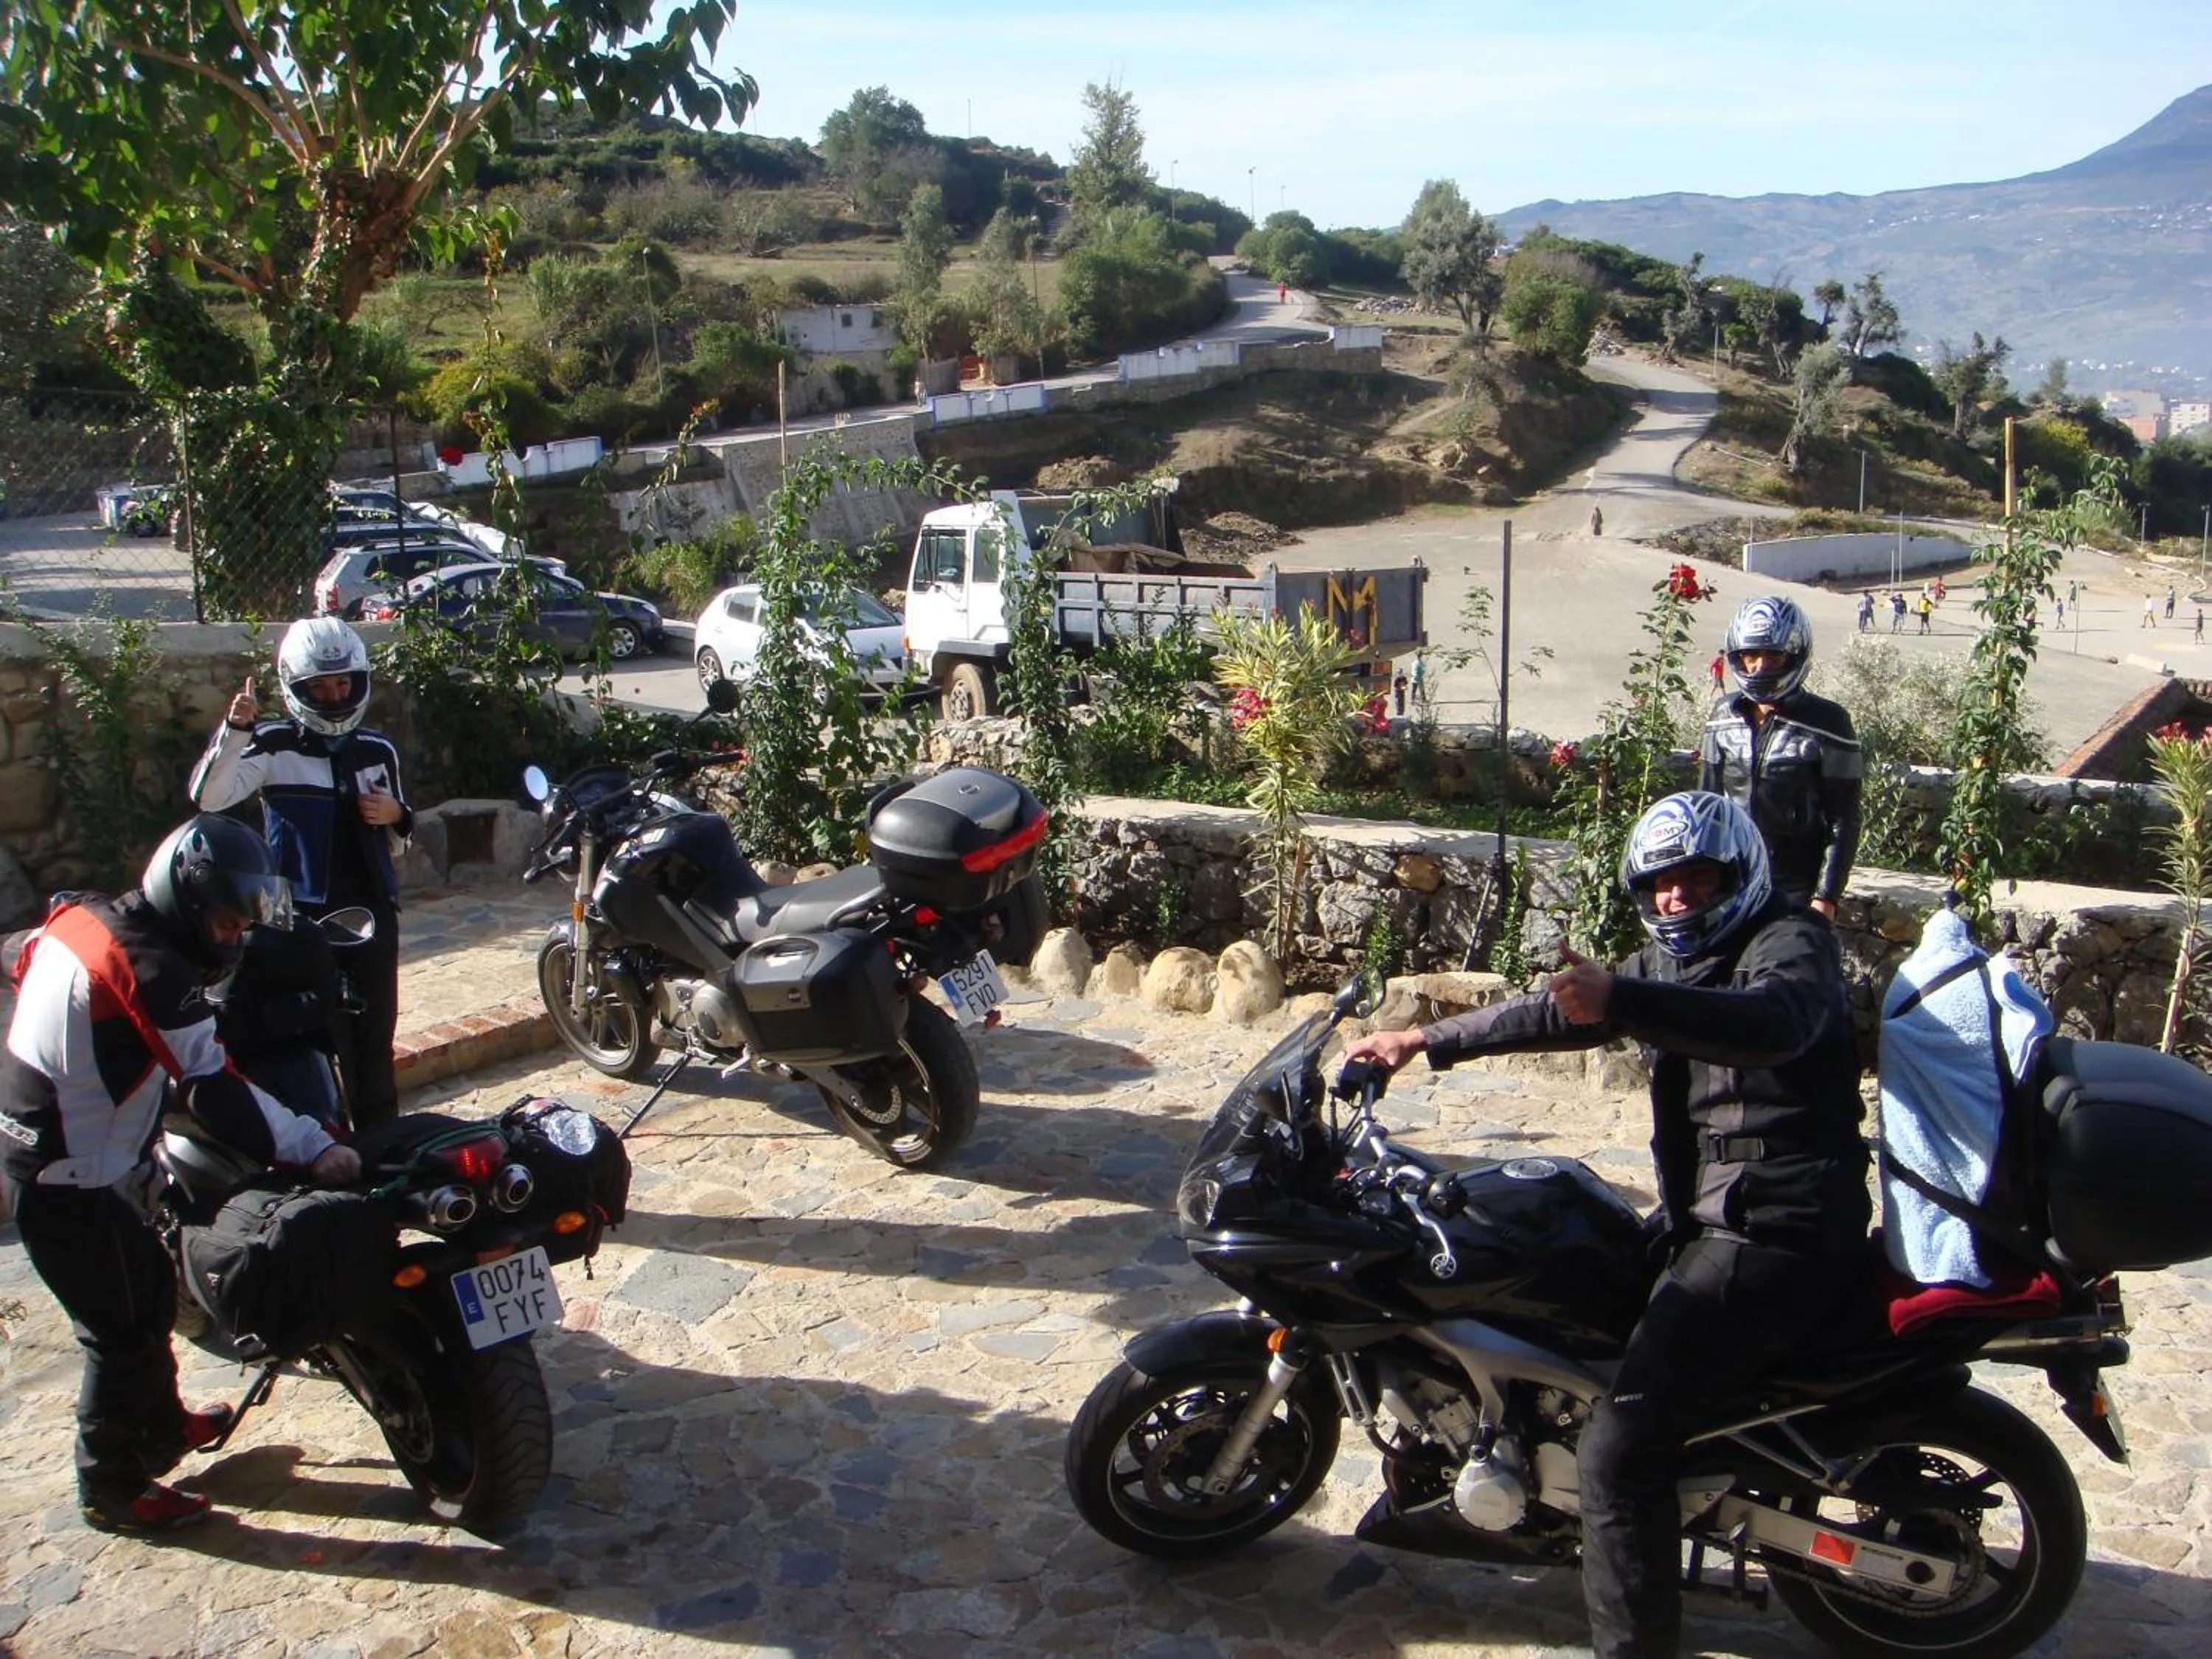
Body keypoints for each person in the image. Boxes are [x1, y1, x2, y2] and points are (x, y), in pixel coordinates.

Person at [1346, 792, 1870, 1659]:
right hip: (1714, 1216)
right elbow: (1560, 1010)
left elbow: (1775, 1023)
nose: (1676, 897)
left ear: (1738, 875)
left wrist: (1622, 997)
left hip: (1778, 1233)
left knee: (1621, 1450)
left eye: (1696, 879)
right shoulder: (1671, 961)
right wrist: (1425, 1044)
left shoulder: (1789, 941)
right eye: (1660, 883)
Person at [0, 815, 361, 1534]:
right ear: (188, 903)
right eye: (227, 924)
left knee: (150, 1291)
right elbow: (212, 1086)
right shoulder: (154, 972)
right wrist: (311, 1145)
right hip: (67, 1176)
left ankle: (162, 1427)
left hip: (65, 1154)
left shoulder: (88, 916)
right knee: (120, 1332)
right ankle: (111, 1486)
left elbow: (17, 955)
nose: (234, 938)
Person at [190, 618, 413, 1128]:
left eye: (343, 685)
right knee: (308, 1031)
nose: (334, 697)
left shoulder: (376, 750)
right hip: (292, 913)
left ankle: (381, 1138)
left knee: (375, 1032)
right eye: (320, 688)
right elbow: (210, 797)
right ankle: (319, 1136)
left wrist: (395, 815)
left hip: (371, 907)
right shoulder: (272, 744)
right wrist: (235, 731)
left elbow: (399, 843)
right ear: (296, 687)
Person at [1697, 596, 1862, 919]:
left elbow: (1844, 818)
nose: (1760, 666)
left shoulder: (1829, 722)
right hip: (1728, 883)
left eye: (1773, 655)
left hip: (1794, 889)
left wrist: (1826, 896)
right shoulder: (1722, 715)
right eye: (1751, 655)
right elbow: (1707, 803)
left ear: (1794, 655)